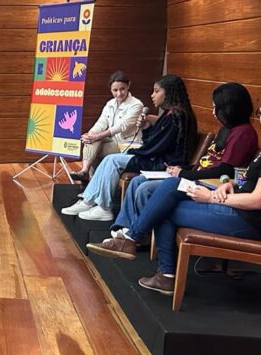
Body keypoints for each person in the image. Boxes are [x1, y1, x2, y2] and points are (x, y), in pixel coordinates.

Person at [87, 149, 261, 295]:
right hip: (233, 202)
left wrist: (210, 197)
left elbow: (257, 201)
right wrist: (229, 183)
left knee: (165, 208)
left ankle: (151, 260)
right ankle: (134, 242)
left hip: (246, 219)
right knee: (173, 184)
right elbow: (248, 180)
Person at [112, 82, 258, 233]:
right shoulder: (226, 128)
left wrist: (183, 174)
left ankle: (139, 233)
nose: (214, 112)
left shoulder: (243, 133)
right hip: (196, 176)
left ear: (229, 108)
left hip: (209, 184)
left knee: (146, 189)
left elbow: (224, 169)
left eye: (217, 108)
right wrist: (183, 170)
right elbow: (207, 162)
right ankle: (125, 227)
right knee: (137, 181)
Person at [62, 74, 198, 221]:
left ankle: (103, 207)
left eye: (156, 91)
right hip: (155, 157)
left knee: (112, 160)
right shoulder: (172, 113)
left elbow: (157, 146)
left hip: (163, 163)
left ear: (169, 92)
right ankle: (88, 201)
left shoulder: (177, 116)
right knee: (110, 159)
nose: (152, 95)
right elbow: (156, 140)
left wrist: (135, 152)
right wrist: (146, 128)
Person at [69, 71, 144, 181]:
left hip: (127, 145)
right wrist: (90, 134)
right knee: (91, 141)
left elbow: (121, 126)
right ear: (110, 90)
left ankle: (89, 178)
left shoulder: (137, 104)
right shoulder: (110, 104)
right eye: (115, 90)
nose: (119, 93)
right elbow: (101, 123)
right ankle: (85, 172)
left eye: (122, 89)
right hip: (113, 141)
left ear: (129, 85)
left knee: (94, 147)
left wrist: (95, 137)